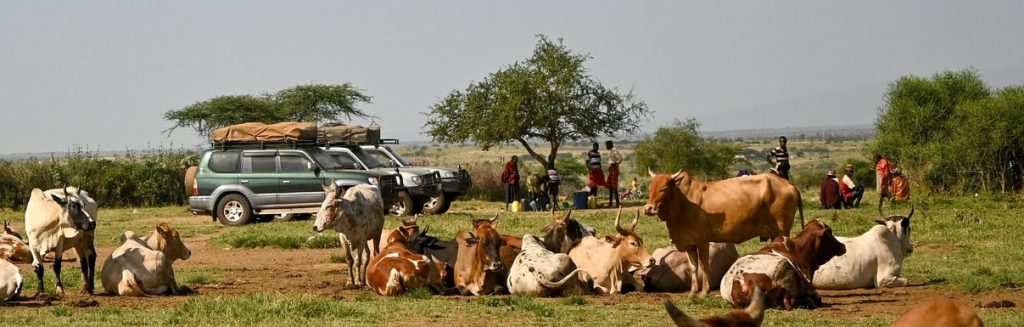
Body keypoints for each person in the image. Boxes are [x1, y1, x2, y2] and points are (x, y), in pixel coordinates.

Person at [605, 140, 622, 207]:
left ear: (610, 145)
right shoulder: (611, 150)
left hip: (614, 168)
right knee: (610, 186)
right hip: (612, 168)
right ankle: (611, 203)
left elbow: (620, 157)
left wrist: (617, 163)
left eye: (607, 145)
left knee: (614, 186)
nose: (606, 147)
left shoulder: (614, 150)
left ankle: (617, 203)